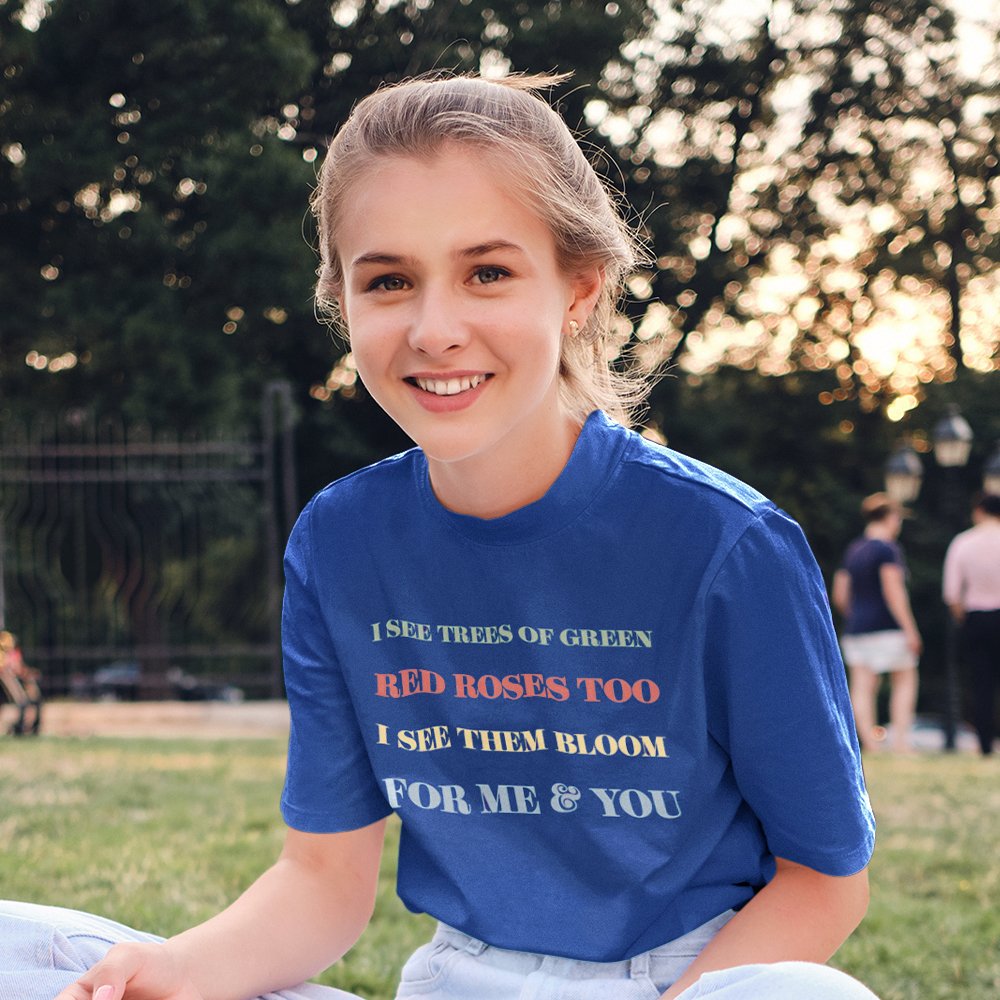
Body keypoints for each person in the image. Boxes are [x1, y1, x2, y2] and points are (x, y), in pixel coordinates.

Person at [10, 73, 878, 1000]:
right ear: (343, 301)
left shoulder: (729, 543)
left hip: (692, 983)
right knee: (17, 950)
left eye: (487, 273)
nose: (434, 330)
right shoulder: (339, 542)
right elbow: (321, 881)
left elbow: (825, 881)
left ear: (580, 288)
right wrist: (172, 972)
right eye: (389, 281)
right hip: (457, 980)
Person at [833, 493, 922, 753]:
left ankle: (870, 744)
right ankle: (901, 742)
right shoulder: (887, 549)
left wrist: (855, 614)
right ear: (890, 517)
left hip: (857, 628)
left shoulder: (854, 550)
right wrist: (910, 629)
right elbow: (894, 591)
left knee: (862, 686)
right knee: (904, 679)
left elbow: (840, 593)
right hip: (887, 627)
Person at [943, 492, 1000, 756]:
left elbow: (952, 594)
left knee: (981, 684)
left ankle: (985, 744)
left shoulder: (963, 542)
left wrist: (963, 619)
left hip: (977, 618)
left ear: (979, 510)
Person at [0, 629, 43, 736]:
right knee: (22, 702)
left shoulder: (12, 653)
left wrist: (27, 673)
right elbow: (14, 668)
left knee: (29, 701)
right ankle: (19, 727)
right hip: (7, 677)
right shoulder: (6, 655)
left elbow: (18, 668)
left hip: (12, 677)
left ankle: (23, 726)